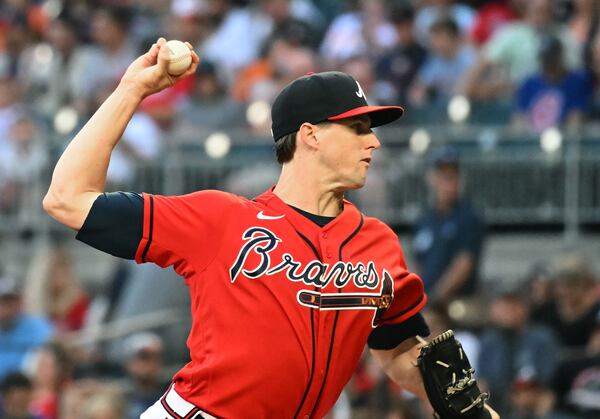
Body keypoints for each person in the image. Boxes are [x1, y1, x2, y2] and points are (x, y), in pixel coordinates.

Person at [43, 38, 499, 418]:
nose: (374, 140)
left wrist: (462, 403)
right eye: (358, 127)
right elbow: (66, 198)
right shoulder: (220, 219)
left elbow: (398, 351)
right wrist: (131, 90)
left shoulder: (378, 243)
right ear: (311, 135)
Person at [412, 147, 484, 303]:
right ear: (431, 178)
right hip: (425, 303)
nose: (448, 182)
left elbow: (464, 264)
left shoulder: (468, 217)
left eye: (452, 177)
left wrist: (435, 298)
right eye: (443, 176)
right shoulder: (423, 220)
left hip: (457, 303)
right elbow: (417, 264)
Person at [0, 276, 53, 382]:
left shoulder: (37, 326)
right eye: (4, 301)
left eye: (13, 301)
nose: (9, 307)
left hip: (27, 387)